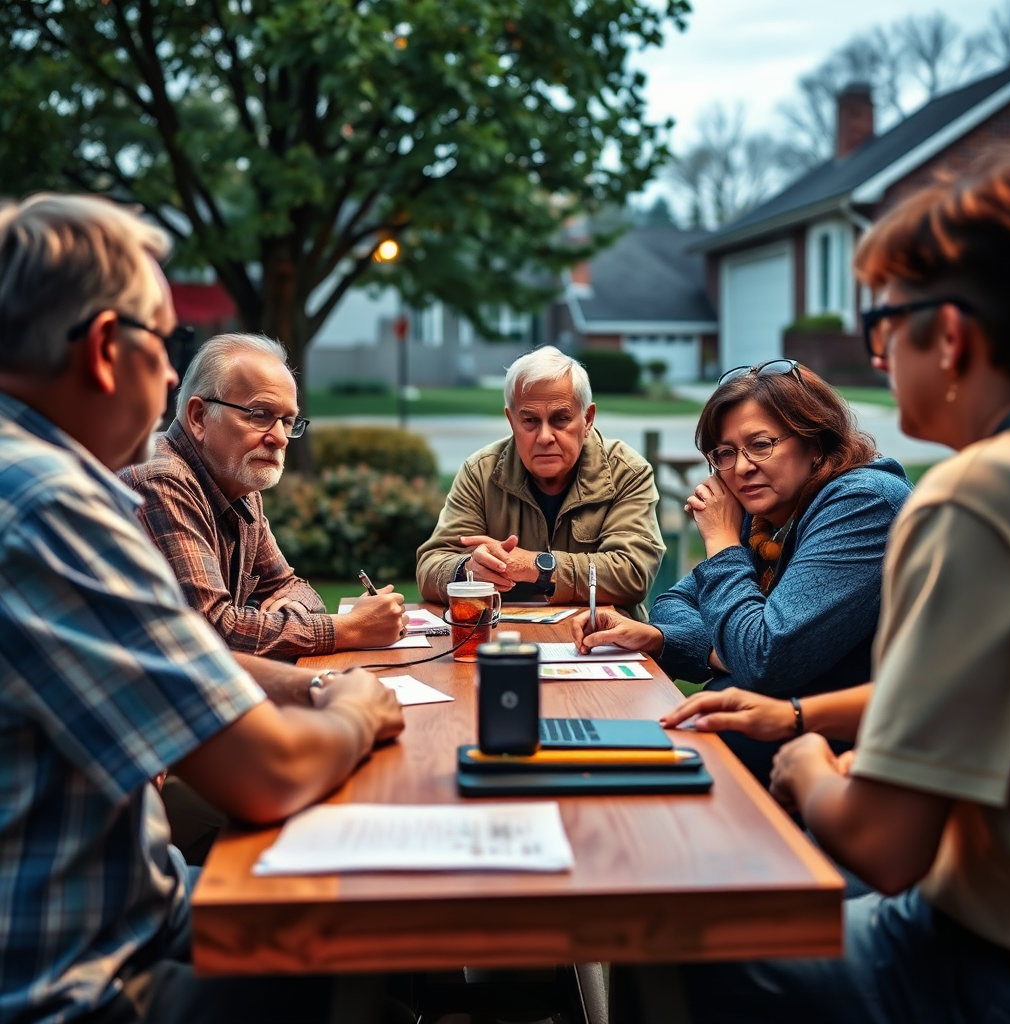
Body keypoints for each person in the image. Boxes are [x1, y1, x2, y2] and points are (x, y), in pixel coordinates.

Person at [0, 193, 406, 1024]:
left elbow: (254, 606)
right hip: (72, 975)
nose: (171, 370)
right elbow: (269, 772)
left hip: (124, 898)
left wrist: (302, 665)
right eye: (165, 344)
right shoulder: (52, 505)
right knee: (359, 962)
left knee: (342, 933)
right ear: (111, 350)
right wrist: (357, 706)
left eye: (287, 420)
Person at [668, 148, 1010, 1023]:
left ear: (948, 335)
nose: (877, 348)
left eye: (885, 322)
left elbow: (886, 844)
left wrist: (807, 764)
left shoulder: (973, 496)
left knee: (684, 932)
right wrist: (786, 708)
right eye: (724, 451)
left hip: (981, 955)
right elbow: (680, 615)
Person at [572, 361, 911, 787]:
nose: (742, 467)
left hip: (858, 757)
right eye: (725, 453)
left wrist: (720, 541)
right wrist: (664, 638)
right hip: (766, 733)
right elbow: (674, 603)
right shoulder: (769, 511)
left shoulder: (862, 506)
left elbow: (764, 659)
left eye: (761, 444)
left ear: (816, 442)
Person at [120, 332, 408, 660]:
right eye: (260, 415)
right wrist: (351, 627)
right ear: (199, 417)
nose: (280, 439)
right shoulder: (161, 480)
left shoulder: (237, 484)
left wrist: (291, 609)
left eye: (287, 421)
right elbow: (212, 631)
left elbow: (294, 587)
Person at [416, 345, 665, 620]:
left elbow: (632, 574)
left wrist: (537, 566)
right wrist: (467, 569)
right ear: (511, 421)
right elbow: (430, 566)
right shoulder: (480, 472)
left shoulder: (627, 472)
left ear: (588, 419)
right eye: (530, 421)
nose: (545, 436)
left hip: (600, 642)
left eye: (560, 419)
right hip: (504, 641)